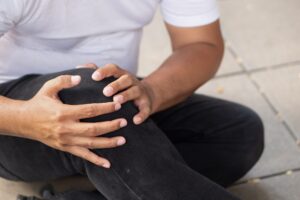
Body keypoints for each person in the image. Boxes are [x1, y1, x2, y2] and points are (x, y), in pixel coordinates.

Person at [0, 0, 264, 199]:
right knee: (93, 94)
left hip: (113, 100)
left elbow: (200, 43)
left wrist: (151, 91)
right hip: (16, 123)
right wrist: (27, 119)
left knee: (238, 133)